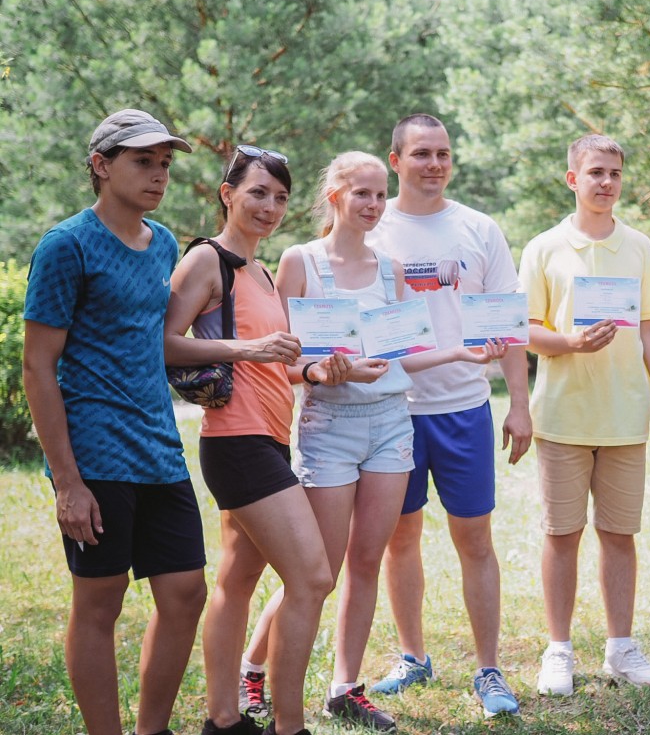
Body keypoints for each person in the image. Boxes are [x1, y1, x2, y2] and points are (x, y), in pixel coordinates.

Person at [235, 151, 507, 731]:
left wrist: (460, 350)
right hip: (329, 430)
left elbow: (404, 353)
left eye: (380, 196)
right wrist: (320, 371)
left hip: (391, 426)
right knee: (318, 571)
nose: (373, 205)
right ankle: (252, 668)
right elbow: (276, 362)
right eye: (362, 194)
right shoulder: (299, 261)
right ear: (334, 196)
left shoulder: (392, 270)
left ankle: (344, 688)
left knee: (364, 562)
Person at [22, 109, 207, 735]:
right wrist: (67, 483)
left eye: (165, 163)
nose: (158, 175)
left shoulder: (164, 244)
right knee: (99, 604)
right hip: (94, 454)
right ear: (101, 165)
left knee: (185, 594)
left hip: (158, 446)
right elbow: (37, 366)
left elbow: (157, 341)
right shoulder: (65, 245)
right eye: (142, 161)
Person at [164, 145, 339, 735]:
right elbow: (163, 341)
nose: (270, 206)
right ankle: (289, 725)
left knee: (236, 582)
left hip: (270, 435)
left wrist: (314, 370)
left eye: (281, 198)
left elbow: (274, 363)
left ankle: (222, 720)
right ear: (227, 193)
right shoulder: (205, 262)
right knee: (313, 578)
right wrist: (248, 349)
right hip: (234, 441)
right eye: (258, 192)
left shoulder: (262, 273)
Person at [364, 114, 532, 718]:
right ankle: (413, 656)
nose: (434, 164)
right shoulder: (374, 228)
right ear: (396, 159)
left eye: (443, 153)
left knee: (474, 539)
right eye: (421, 154)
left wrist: (519, 403)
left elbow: (508, 321)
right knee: (398, 539)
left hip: (464, 408)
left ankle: (489, 670)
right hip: (390, 411)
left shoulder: (478, 229)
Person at [518, 134, 650, 696]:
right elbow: (526, 330)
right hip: (562, 414)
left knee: (618, 534)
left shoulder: (638, 247)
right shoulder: (543, 248)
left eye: (614, 173)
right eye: (595, 173)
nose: (606, 182)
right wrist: (570, 343)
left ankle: (620, 648)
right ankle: (558, 650)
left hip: (625, 414)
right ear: (572, 179)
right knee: (562, 535)